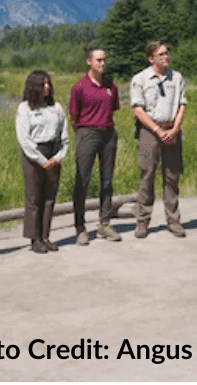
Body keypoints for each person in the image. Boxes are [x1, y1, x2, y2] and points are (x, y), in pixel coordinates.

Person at [130, 40, 187, 239]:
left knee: (172, 176)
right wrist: (156, 129)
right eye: (161, 54)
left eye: (167, 53)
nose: (166, 57)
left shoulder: (177, 78)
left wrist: (175, 128)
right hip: (149, 131)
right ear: (151, 58)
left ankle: (174, 220)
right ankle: (142, 221)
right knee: (147, 175)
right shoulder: (140, 79)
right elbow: (138, 109)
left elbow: (181, 104)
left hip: (171, 129)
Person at [68, 45, 121, 245]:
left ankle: (104, 223)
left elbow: (114, 108)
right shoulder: (80, 87)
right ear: (89, 62)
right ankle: (80, 227)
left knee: (107, 180)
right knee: (83, 180)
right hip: (87, 133)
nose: (103, 63)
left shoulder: (111, 85)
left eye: (104, 59)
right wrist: (82, 133)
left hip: (108, 133)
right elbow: (73, 115)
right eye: (99, 60)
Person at [15, 70, 69, 253]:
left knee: (49, 198)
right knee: (34, 198)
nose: (47, 87)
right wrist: (40, 159)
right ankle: (34, 238)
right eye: (42, 84)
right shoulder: (25, 108)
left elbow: (64, 136)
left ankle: (45, 236)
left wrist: (58, 157)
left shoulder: (56, 108)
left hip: (53, 153)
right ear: (33, 86)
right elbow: (24, 139)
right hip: (34, 156)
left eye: (48, 84)